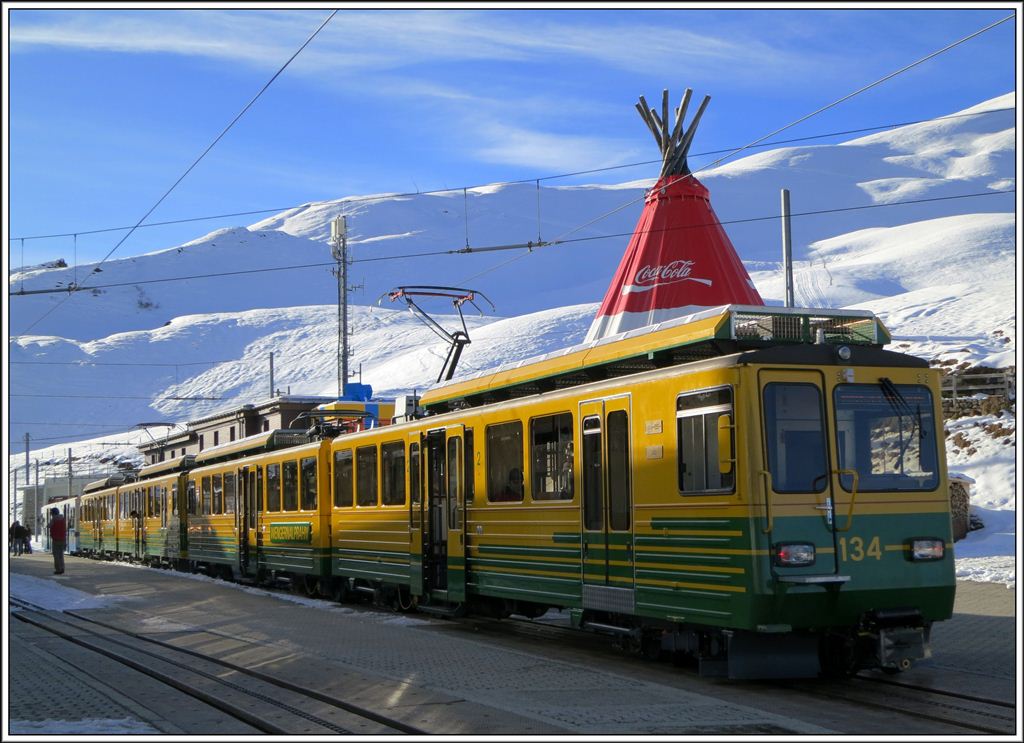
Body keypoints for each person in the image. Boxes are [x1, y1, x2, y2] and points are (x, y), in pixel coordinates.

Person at [48, 508, 67, 575]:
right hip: (62, 539)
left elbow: (49, 526)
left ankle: (58, 569)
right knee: (61, 555)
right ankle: (62, 568)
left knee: (56, 555)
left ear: (53, 513)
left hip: (56, 539)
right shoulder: (63, 519)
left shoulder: (54, 519)